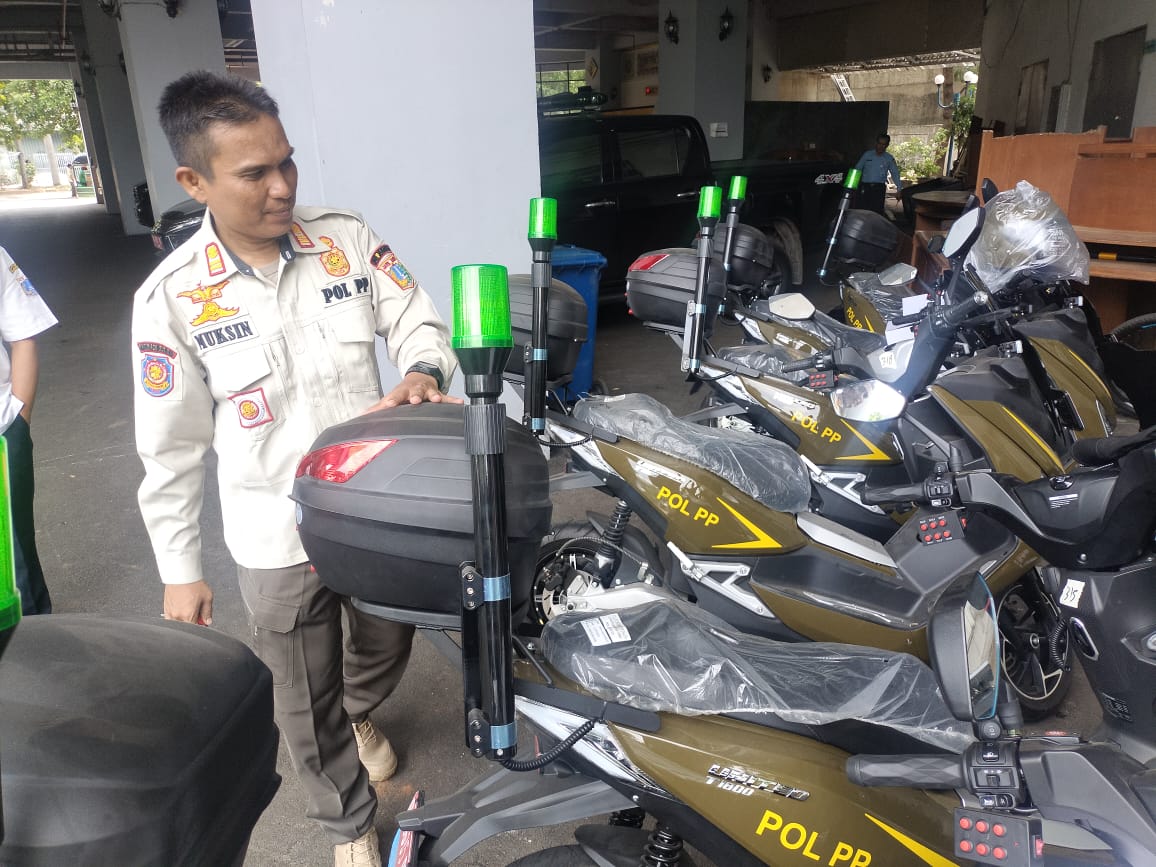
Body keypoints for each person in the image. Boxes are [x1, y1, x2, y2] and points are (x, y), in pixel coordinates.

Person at [131, 71, 459, 867]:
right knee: (300, 696)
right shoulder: (173, 298)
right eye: (255, 173)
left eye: (287, 162)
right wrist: (179, 566)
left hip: (373, 505)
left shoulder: (344, 238)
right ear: (194, 181)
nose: (282, 187)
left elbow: (417, 317)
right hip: (274, 528)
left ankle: (356, 709)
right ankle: (350, 826)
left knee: (387, 640)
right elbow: (169, 447)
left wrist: (423, 370)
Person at [0, 246, 57, 615]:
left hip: (2, 433)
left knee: (12, 560)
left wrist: (18, 421)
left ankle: (30, 639)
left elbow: (23, 334)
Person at [854, 133, 903, 216]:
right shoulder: (867, 155)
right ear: (876, 143)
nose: (881, 146)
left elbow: (895, 173)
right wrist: (851, 186)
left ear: (887, 145)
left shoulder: (889, 158)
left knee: (876, 213)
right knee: (862, 211)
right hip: (865, 187)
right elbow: (857, 169)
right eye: (879, 143)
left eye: (884, 144)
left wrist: (899, 189)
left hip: (879, 189)